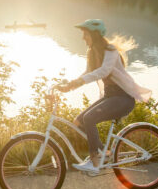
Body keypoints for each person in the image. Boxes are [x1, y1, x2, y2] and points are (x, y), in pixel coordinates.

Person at [55, 19, 152, 174]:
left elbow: (104, 71)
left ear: (95, 34)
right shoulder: (92, 53)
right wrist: (70, 86)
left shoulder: (111, 51)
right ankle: (103, 153)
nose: (83, 38)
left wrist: (77, 82)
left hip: (123, 98)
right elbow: (88, 73)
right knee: (79, 121)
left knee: (89, 118)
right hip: (109, 97)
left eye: (85, 34)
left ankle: (95, 160)